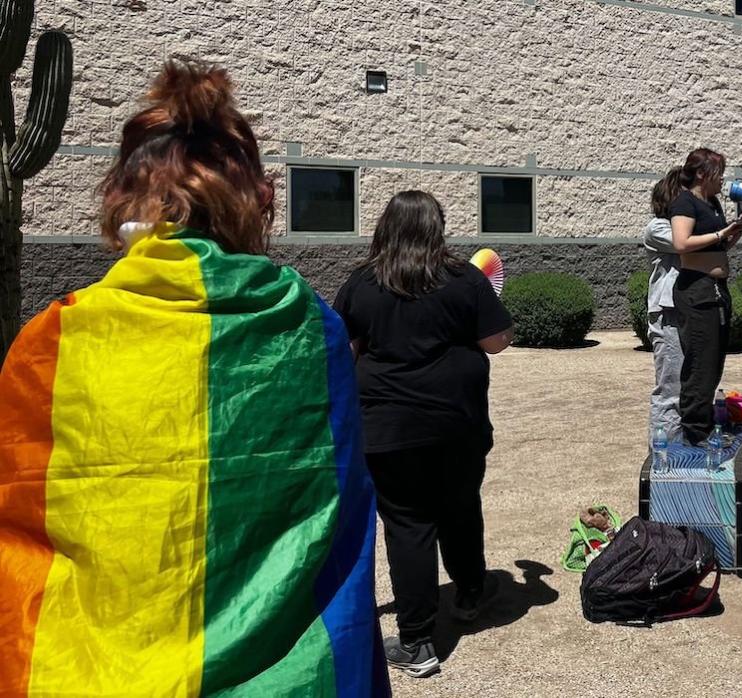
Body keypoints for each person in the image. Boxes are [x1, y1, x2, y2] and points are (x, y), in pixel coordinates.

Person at [0, 61, 389, 695]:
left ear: (119, 197)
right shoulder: (306, 328)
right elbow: (333, 517)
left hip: (94, 674)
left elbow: (21, 532)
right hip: (285, 679)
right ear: (255, 200)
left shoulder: (52, 342)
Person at [333, 191, 514, 679]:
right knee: (459, 506)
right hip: (458, 424)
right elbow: (496, 343)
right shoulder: (465, 279)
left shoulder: (363, 283)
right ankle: (471, 591)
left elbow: (344, 353)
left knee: (408, 525)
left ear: (385, 228)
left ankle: (416, 641)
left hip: (389, 429)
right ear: (437, 228)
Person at [669, 148, 742, 445]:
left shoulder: (713, 203)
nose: (723, 180)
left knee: (714, 363)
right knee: (700, 364)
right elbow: (681, 242)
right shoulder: (684, 202)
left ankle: (701, 427)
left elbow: (717, 249)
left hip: (716, 291)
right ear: (702, 174)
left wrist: (734, 233)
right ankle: (694, 431)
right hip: (696, 290)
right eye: (719, 173)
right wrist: (720, 234)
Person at [644, 168, 685, 441]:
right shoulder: (657, 228)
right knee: (670, 390)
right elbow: (686, 244)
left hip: (691, 311)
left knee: (691, 389)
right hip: (667, 315)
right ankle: (665, 460)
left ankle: (688, 449)